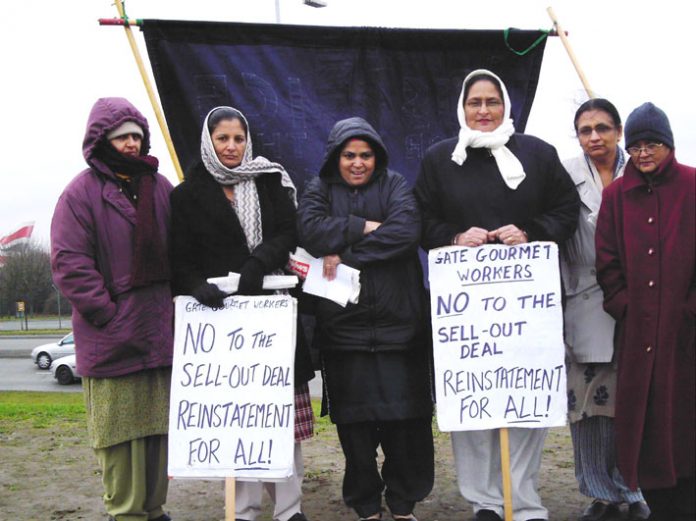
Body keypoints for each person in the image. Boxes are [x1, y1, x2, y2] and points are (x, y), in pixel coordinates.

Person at [415, 69, 579, 521]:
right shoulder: (438, 160)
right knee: (474, 403)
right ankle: (485, 501)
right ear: (462, 108)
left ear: (506, 105)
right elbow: (420, 220)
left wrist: (530, 232)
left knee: (526, 403)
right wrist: (452, 235)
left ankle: (522, 500)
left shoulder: (538, 155)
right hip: (467, 314)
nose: (484, 111)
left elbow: (565, 210)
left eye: (492, 101)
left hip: (527, 309)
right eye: (475, 102)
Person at [169, 106, 314, 521]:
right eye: (223, 139)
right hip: (221, 326)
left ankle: (290, 509)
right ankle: (245, 509)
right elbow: (179, 257)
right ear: (208, 141)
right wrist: (198, 286)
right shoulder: (186, 193)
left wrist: (260, 261)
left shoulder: (269, 180)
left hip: (271, 317)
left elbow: (290, 230)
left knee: (279, 419)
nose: (231, 147)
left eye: (238, 139)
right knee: (240, 420)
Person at [298, 117, 434, 521]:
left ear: (377, 156)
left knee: (404, 423)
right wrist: (362, 226)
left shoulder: (395, 185)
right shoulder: (317, 189)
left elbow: (407, 231)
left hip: (398, 330)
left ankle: (403, 502)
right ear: (335, 157)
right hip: (343, 332)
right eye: (349, 155)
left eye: (366, 155)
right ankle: (366, 503)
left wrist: (348, 255)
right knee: (354, 429)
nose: (358, 163)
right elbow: (309, 230)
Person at [51, 97, 174, 521]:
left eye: (137, 137)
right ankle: (126, 514)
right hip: (111, 341)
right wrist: (108, 315)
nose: (131, 145)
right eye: (122, 136)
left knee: (158, 436)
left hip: (159, 336)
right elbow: (70, 264)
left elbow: (184, 250)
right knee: (120, 441)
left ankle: (155, 511)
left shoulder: (160, 189)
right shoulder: (79, 194)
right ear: (102, 139)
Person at [595, 102, 695, 521]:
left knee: (687, 421)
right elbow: (607, 260)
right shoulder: (616, 196)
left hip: (687, 334)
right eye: (635, 146)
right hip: (639, 337)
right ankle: (662, 507)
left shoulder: (692, 185)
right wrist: (626, 307)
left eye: (652, 144)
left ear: (668, 145)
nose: (643, 153)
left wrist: (689, 313)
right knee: (648, 426)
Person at [560, 98, 650, 521]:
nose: (594, 136)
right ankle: (599, 492)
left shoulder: (642, 171)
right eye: (585, 129)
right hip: (583, 297)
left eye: (602, 127)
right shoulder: (564, 176)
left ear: (618, 132)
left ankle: (633, 489)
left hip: (638, 299)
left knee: (632, 400)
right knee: (589, 404)